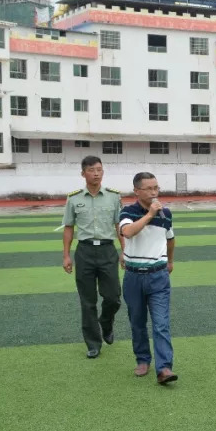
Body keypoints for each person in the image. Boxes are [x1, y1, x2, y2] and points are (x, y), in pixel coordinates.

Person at [62, 156, 125, 359]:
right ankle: (93, 343)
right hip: (85, 252)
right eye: (91, 170)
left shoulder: (114, 197)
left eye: (99, 169)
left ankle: (106, 323)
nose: (96, 173)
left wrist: (124, 251)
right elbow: (69, 227)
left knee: (113, 297)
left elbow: (119, 226)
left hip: (108, 251)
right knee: (87, 301)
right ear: (83, 173)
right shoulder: (74, 198)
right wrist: (66, 256)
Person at [120, 172, 177, 385]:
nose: (154, 192)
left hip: (158, 276)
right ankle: (143, 359)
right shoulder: (128, 211)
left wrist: (170, 261)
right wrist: (149, 215)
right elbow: (128, 232)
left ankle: (164, 368)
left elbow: (171, 239)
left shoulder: (166, 214)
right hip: (134, 276)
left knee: (161, 323)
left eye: (156, 188)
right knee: (137, 321)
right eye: (149, 188)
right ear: (137, 191)